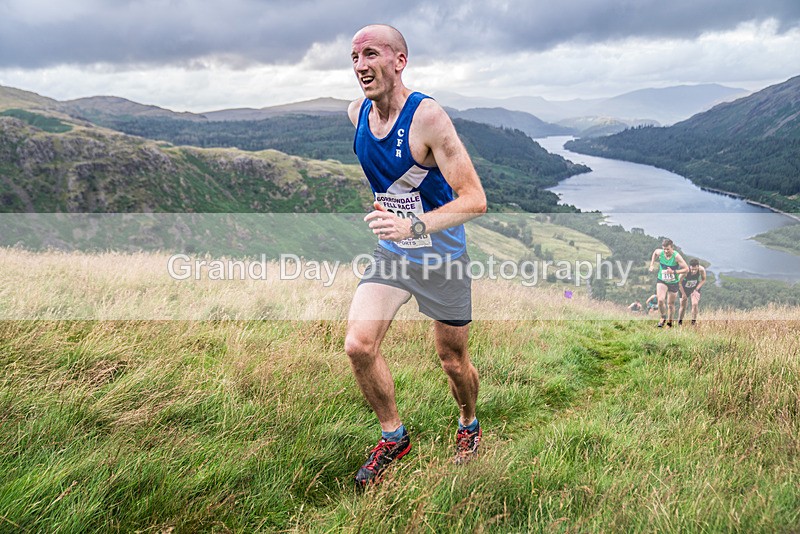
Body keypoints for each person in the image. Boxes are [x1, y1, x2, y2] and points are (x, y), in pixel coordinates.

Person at [345, 24, 487, 488]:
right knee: (359, 345)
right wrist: (394, 218)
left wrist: (415, 224)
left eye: (371, 54)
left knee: (452, 361)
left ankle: (468, 423)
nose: (361, 65)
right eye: (354, 57)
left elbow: (474, 199)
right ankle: (394, 437)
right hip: (393, 254)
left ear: (399, 60)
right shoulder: (357, 115)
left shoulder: (427, 117)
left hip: (443, 258)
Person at [648, 238, 689, 328]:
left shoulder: (676, 256)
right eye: (664, 249)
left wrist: (674, 272)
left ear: (672, 248)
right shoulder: (660, 252)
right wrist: (651, 264)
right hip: (662, 279)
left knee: (670, 304)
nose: (666, 251)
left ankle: (669, 324)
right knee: (660, 300)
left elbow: (686, 269)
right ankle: (663, 317)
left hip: (673, 282)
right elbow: (655, 252)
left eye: (668, 249)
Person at [678, 259, 706, 325]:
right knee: (683, 306)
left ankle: (693, 323)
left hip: (695, 287)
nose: (693, 271)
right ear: (690, 267)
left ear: (698, 267)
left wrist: (697, 289)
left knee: (695, 304)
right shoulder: (685, 271)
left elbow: (703, 279)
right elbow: (678, 283)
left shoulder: (701, 269)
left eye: (695, 269)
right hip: (684, 288)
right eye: (692, 269)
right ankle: (680, 322)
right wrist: (683, 294)